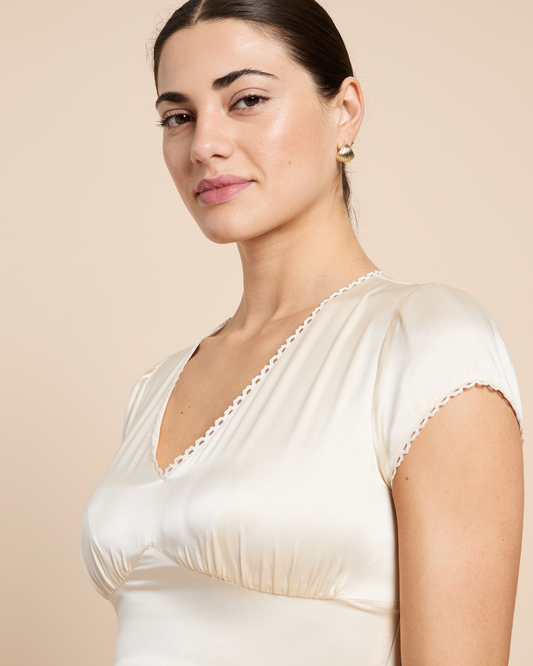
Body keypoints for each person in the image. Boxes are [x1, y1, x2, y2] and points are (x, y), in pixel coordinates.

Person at [81, 1, 524, 664]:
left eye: (247, 100)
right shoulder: (156, 387)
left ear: (343, 110)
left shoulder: (425, 341)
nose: (203, 145)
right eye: (178, 116)